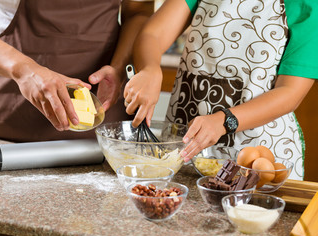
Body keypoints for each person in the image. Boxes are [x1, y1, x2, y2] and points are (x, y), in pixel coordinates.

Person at [123, 0, 317, 180]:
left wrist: (225, 120)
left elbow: (290, 93)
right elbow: (152, 34)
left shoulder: (307, 5)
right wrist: (149, 69)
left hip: (257, 160)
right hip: (183, 154)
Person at [0, 0, 154, 142]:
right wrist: (24, 70)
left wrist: (118, 68)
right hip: (14, 122)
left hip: (104, 127)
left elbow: (138, 10)